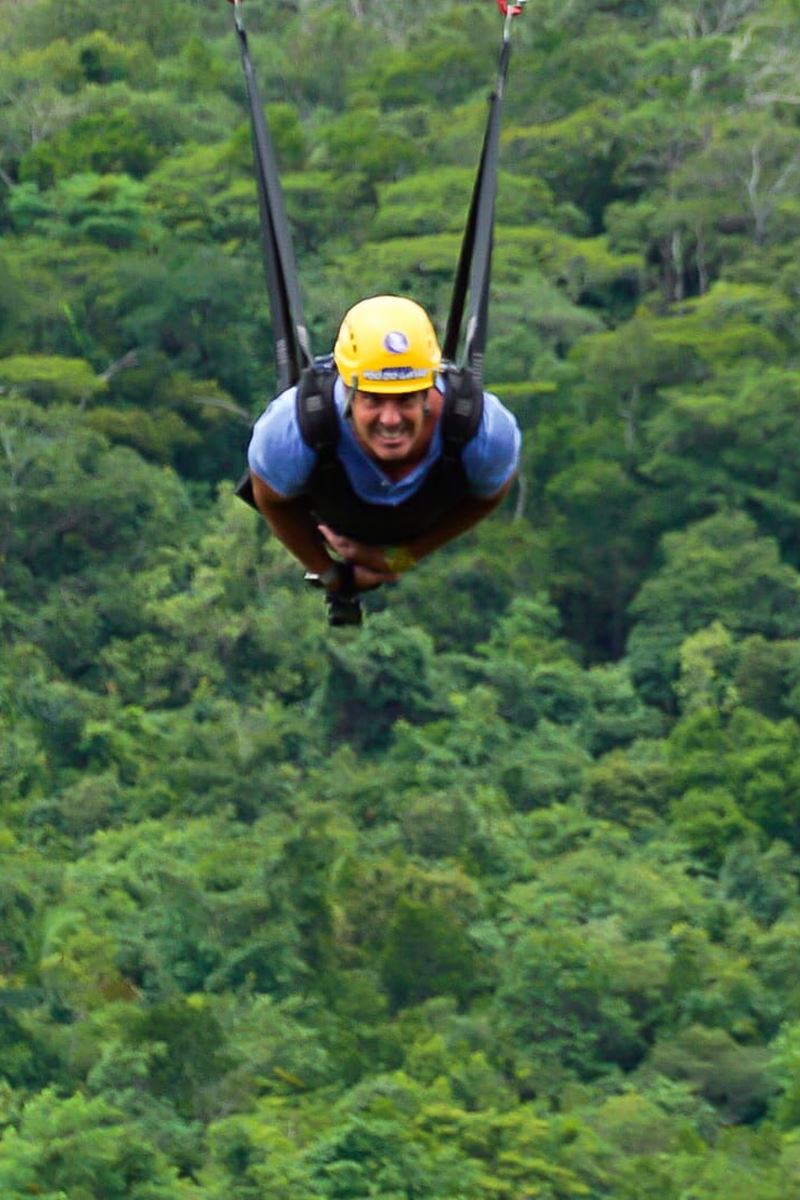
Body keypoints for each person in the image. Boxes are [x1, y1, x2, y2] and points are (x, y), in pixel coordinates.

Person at [247, 294, 521, 600]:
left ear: (429, 389)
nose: (390, 420)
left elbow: (490, 493)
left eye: (406, 399)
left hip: (421, 513)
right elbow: (270, 499)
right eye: (373, 400)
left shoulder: (482, 432)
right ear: (349, 392)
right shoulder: (292, 430)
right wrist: (329, 572)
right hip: (327, 505)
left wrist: (403, 557)